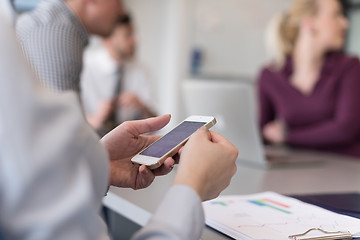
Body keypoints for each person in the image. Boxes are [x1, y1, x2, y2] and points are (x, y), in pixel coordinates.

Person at [0, 2, 238, 240]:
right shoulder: (53, 33)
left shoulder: (33, 30)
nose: (123, 9)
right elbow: (50, 192)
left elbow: (44, 185)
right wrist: (193, 185)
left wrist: (100, 162)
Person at [257, 0, 360, 157]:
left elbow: (345, 129)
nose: (345, 23)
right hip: (296, 166)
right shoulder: (270, 75)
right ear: (310, 23)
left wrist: (287, 137)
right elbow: (262, 133)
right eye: (336, 15)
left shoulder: (349, 67)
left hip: (346, 166)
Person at [16, 0, 125, 94]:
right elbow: (56, 116)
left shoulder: (60, 27)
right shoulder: (59, 34)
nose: (122, 11)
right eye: (119, 1)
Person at [81, 14, 156, 135]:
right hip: (93, 140)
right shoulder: (85, 66)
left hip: (130, 142)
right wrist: (95, 119)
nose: (136, 40)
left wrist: (142, 106)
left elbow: (155, 119)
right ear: (107, 40)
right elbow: (68, 117)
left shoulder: (141, 69)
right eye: (127, 35)